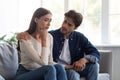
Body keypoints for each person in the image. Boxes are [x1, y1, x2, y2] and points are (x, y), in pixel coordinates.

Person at [17, 9, 101, 80]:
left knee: (94, 66)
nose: (64, 25)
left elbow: (96, 53)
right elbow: (44, 62)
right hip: (31, 71)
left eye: (69, 25)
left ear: (75, 28)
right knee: (70, 73)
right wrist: (20, 35)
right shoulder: (51, 35)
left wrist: (83, 60)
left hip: (70, 66)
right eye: (65, 21)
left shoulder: (79, 37)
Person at [14, 7, 67, 80]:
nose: (49, 24)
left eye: (50, 21)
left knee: (59, 67)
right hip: (24, 74)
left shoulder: (50, 37)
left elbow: (50, 61)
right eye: (46, 20)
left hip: (40, 72)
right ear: (36, 20)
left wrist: (45, 38)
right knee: (49, 68)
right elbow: (44, 63)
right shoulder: (25, 39)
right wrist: (44, 40)